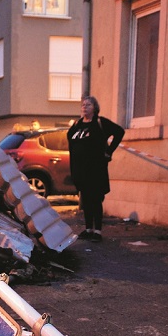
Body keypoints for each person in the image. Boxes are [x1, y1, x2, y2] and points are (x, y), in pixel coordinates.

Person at [67, 95, 125, 242]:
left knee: (95, 199)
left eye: (88, 105)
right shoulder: (77, 125)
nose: (85, 107)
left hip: (95, 170)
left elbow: (119, 132)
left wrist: (109, 151)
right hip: (80, 170)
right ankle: (88, 229)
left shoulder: (100, 123)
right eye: (83, 105)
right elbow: (71, 142)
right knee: (85, 200)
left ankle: (97, 231)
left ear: (95, 108)